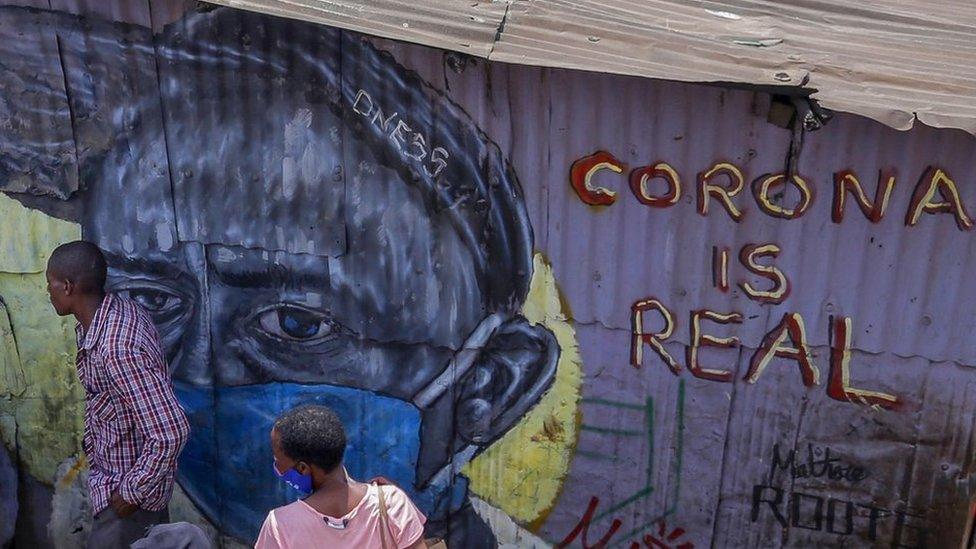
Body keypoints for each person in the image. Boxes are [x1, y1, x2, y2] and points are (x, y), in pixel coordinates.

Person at [4, 5, 559, 547]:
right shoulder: (85, 511)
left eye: (296, 324)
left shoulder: (290, 530)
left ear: (491, 384)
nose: (200, 370)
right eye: (153, 299)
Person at [45, 241, 190, 549]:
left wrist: (130, 493)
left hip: (126, 506)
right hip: (114, 489)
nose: (48, 291)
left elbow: (171, 431)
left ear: (68, 287)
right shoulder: (108, 317)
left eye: (51, 284)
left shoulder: (117, 348)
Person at [256, 405, 427, 549]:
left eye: (277, 460)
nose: (276, 466)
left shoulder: (280, 525)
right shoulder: (392, 504)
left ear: (303, 468)